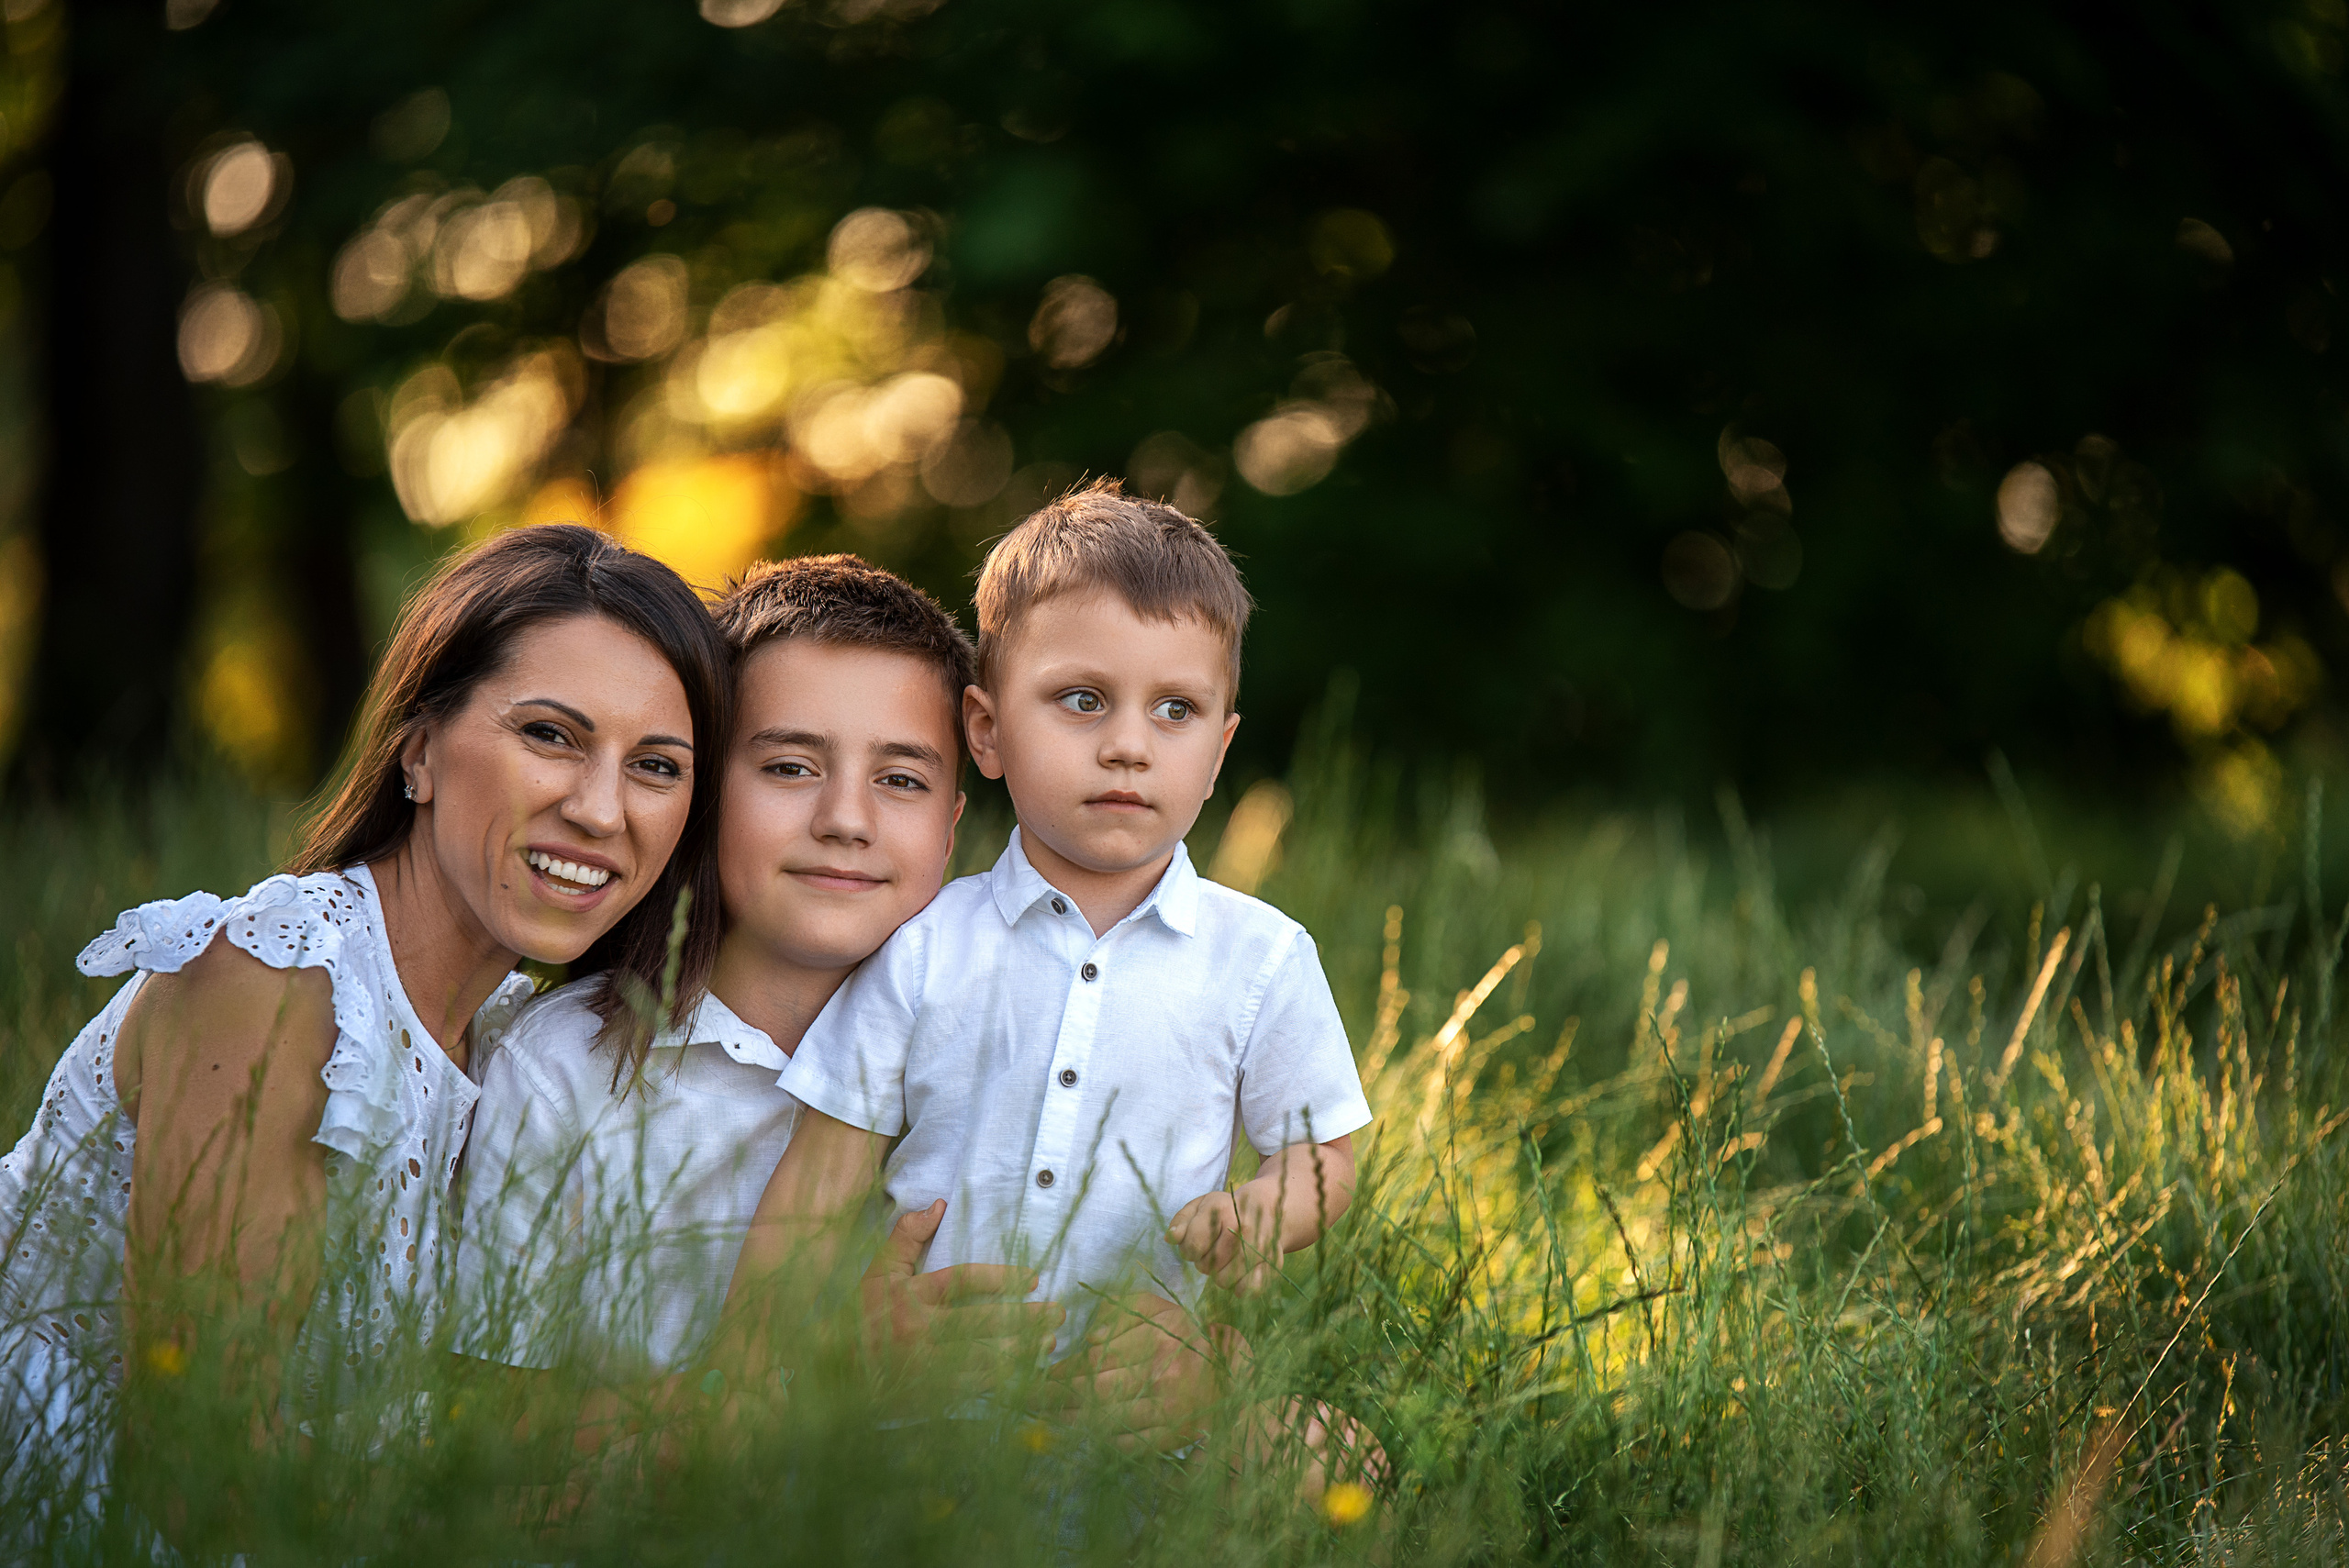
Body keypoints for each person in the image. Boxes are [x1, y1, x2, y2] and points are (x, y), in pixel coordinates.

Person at [0, 524, 728, 1538]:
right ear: (418, 751)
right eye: (551, 735)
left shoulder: (519, 1038)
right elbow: (197, 1465)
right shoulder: (275, 979)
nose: (601, 809)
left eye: (656, 764)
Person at [730, 481, 1373, 1397]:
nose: (1127, 745)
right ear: (986, 730)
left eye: (1174, 710)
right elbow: (817, 1181)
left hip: (1142, 1406)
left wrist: (1267, 1207)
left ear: (1220, 750)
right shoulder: (922, 948)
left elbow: (1322, 1150)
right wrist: (762, 1360)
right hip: (919, 1410)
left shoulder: (1259, 955)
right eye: (1082, 699)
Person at [453, 557, 1057, 1417]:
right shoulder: (563, 1072)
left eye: (901, 780)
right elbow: (492, 1429)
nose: (846, 819)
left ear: (952, 825)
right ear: (701, 790)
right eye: (789, 767)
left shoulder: (1008, 1055)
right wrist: (818, 1381)